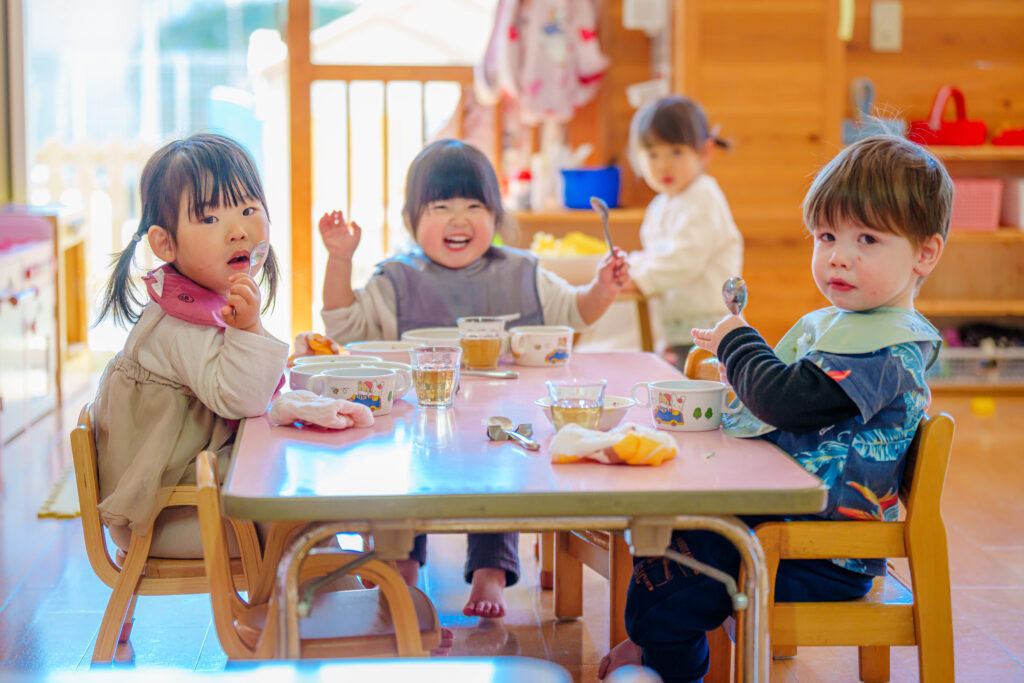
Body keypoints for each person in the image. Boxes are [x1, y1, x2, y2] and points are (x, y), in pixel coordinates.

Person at [599, 134, 952, 683]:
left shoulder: (888, 351)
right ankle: (656, 645)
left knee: (669, 581)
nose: (838, 256)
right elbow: (791, 398)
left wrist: (739, 343)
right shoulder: (853, 327)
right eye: (827, 236)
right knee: (662, 536)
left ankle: (660, 657)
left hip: (820, 556)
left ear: (925, 254)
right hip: (781, 525)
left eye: (867, 238)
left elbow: (788, 400)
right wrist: (739, 375)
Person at [319, 138, 630, 619]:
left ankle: (491, 569)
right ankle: (401, 558)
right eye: (441, 207)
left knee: (498, 477)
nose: (459, 219)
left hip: (500, 425)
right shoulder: (396, 278)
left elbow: (574, 312)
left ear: (496, 216)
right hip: (418, 425)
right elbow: (345, 326)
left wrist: (603, 288)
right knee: (400, 474)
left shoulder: (523, 272)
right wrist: (339, 259)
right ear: (411, 220)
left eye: (474, 206)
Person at [92, 133, 287, 559]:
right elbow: (242, 399)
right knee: (297, 521)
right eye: (210, 219)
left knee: (300, 503)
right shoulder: (178, 325)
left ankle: (335, 594)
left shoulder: (197, 299)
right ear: (165, 243)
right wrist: (249, 328)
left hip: (195, 490)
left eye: (248, 210)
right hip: (166, 515)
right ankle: (330, 598)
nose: (238, 232)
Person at [622, 95, 742, 369]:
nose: (663, 165)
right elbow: (655, 256)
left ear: (704, 152)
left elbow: (685, 259)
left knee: (707, 390)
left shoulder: (704, 196)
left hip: (712, 330)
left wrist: (640, 280)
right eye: (653, 155)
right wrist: (629, 267)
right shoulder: (659, 206)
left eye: (676, 152)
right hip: (678, 330)